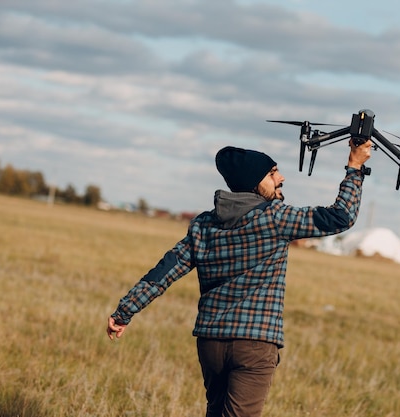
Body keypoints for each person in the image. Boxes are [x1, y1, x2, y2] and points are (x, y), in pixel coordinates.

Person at [107, 138, 372, 417]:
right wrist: (354, 166)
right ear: (253, 183)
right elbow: (341, 217)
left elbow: (164, 272)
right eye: (272, 174)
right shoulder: (276, 218)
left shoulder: (203, 225)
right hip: (254, 344)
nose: (281, 178)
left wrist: (125, 311)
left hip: (210, 343)